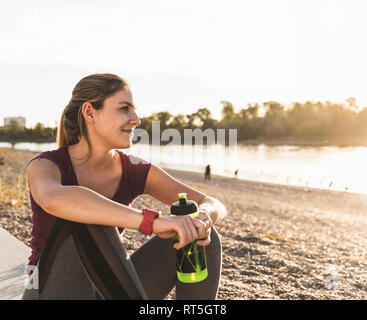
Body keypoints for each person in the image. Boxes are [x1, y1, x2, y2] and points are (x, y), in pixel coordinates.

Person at [22, 73, 226, 300]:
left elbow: (213, 203)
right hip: (50, 290)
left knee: (200, 234)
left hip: (107, 290)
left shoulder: (133, 169)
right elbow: (53, 199)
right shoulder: (46, 164)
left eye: (134, 109)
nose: (136, 119)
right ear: (90, 112)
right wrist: (151, 222)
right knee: (92, 221)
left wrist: (205, 216)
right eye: (124, 108)